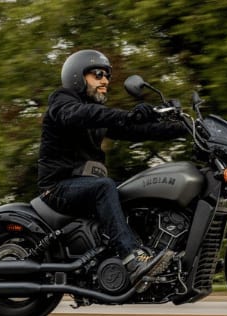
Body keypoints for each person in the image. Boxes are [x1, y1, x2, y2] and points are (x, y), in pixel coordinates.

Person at [38, 49, 189, 283]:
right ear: (78, 77)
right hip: (58, 187)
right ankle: (131, 257)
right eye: (98, 74)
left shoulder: (96, 116)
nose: (106, 80)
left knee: (140, 192)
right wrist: (128, 115)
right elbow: (80, 115)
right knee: (105, 187)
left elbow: (136, 130)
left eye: (107, 76)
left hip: (85, 185)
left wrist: (183, 128)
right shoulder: (63, 101)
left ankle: (152, 253)